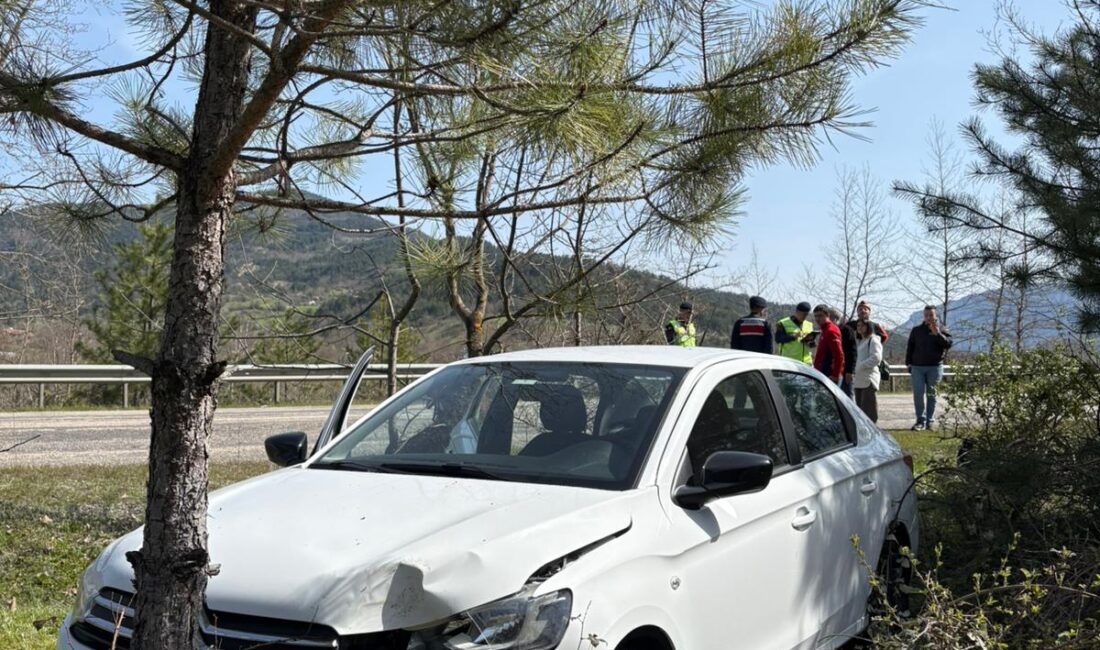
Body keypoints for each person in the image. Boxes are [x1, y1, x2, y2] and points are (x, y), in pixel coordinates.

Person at [905, 305, 954, 430]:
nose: (929, 317)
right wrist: (908, 363)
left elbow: (948, 344)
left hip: (935, 367)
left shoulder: (943, 329)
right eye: (926, 315)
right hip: (917, 367)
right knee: (918, 394)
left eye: (931, 315)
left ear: (935, 315)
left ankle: (930, 421)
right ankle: (920, 421)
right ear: (924, 316)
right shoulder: (916, 330)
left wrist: (937, 333)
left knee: (932, 395)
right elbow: (910, 347)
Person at [853, 320, 883, 422]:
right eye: (858, 325)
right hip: (858, 379)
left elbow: (876, 357)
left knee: (869, 408)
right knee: (860, 408)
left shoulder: (873, 340)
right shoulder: (861, 341)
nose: (860, 327)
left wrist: (861, 365)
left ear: (868, 327)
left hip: (869, 378)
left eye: (862, 325)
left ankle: (873, 430)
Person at [812, 304, 844, 385]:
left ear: (827, 315)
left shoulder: (831, 330)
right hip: (822, 373)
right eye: (815, 316)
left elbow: (839, 355)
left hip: (829, 375)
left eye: (820, 315)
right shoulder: (824, 330)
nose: (817, 319)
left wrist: (835, 375)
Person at [835, 308, 857, 398]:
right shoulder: (833, 330)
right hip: (838, 369)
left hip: (846, 370)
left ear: (836, 319)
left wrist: (850, 371)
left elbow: (853, 351)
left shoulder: (847, 330)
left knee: (848, 395)